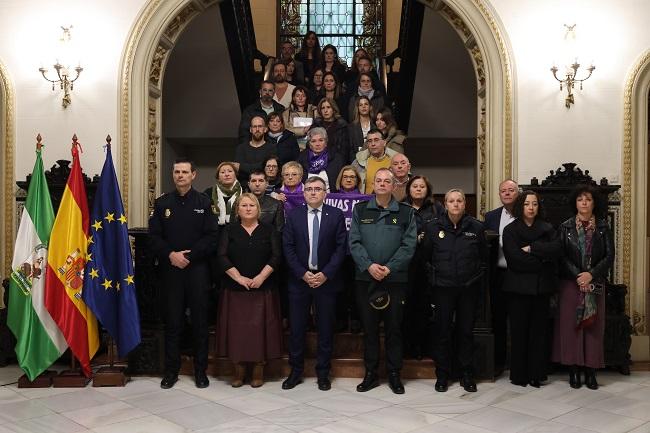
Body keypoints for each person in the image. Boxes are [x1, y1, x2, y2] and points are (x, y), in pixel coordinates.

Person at [149, 158, 219, 389]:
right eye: (177, 171)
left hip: (197, 270)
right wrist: (171, 255)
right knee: (173, 322)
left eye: (185, 172)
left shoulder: (204, 202)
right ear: (173, 174)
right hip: (171, 271)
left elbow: (211, 237)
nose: (180, 175)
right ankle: (171, 371)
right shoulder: (162, 204)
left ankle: (201, 372)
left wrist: (189, 256)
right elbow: (154, 237)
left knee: (199, 322)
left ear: (193, 175)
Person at [349, 168, 417, 394]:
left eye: (387, 181)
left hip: (394, 280)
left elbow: (409, 246)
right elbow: (354, 243)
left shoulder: (406, 213)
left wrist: (389, 268)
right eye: (378, 180)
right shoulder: (360, 210)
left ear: (394, 185)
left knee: (394, 329)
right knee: (369, 329)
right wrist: (369, 265)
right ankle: (370, 374)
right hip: (365, 279)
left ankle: (394, 374)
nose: (382, 184)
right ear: (373, 184)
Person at [282, 176, 348, 391]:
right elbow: (288, 247)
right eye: (308, 189)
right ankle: (296, 371)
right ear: (303, 192)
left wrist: (326, 274)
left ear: (325, 192)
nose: (312, 192)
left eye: (317, 189)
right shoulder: (294, 215)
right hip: (299, 280)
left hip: (326, 281)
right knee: (297, 329)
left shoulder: (336, 215)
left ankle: (323, 373)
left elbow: (341, 248)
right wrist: (302, 273)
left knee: (325, 329)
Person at [422, 188, 487, 393]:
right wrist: (434, 280)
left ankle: (466, 373)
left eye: (460, 200)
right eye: (452, 201)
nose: (456, 204)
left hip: (468, 289)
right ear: (446, 204)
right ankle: (443, 374)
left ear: (465, 204)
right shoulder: (433, 227)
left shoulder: (476, 227)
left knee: (465, 332)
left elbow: (484, 259)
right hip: (442, 289)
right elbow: (424, 259)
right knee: (442, 332)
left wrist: (475, 279)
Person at [216, 193, 283, 388]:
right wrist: (238, 277)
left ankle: (258, 371)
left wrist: (261, 277)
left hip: (263, 288)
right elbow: (221, 255)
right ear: (237, 210)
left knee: (260, 332)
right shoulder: (229, 230)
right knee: (238, 332)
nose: (247, 208)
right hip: (235, 289)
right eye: (243, 205)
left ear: (258, 209)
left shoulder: (269, 230)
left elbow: (277, 256)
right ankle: (238, 372)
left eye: (251, 205)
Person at [552, 184, 615, 390]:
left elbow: (609, 255)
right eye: (580, 200)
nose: (584, 203)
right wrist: (578, 276)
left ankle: (591, 371)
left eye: (588, 199)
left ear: (594, 203)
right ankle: (573, 370)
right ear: (575, 203)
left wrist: (591, 274)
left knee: (593, 327)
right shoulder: (565, 227)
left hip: (595, 283)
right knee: (572, 328)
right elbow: (560, 256)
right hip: (571, 284)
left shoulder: (604, 226)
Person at [502, 190, 560, 388]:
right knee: (518, 333)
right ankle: (519, 375)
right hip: (517, 289)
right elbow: (514, 259)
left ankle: (536, 374)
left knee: (539, 333)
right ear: (521, 206)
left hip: (541, 289)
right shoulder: (510, 230)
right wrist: (541, 260)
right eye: (527, 204)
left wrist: (533, 249)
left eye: (535, 204)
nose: (531, 208)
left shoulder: (548, 228)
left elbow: (557, 252)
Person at [402, 175, 443, 359]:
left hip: (429, 265)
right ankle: (407, 347)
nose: (418, 189)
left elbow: (443, 231)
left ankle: (422, 348)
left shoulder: (436, 208)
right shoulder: (401, 208)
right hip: (406, 265)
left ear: (427, 190)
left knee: (426, 308)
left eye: (422, 186)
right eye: (415, 186)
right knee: (406, 307)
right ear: (409, 189)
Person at [483, 179, 519, 376]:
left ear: (518, 193)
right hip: (498, 275)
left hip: (520, 277)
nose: (506, 193)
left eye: (511, 190)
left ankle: (517, 362)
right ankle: (497, 362)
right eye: (503, 191)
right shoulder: (490, 217)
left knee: (518, 320)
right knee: (497, 320)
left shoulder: (525, 215)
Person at [335, 165, 363, 332]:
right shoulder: (330, 198)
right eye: (345, 176)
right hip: (337, 251)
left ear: (357, 180)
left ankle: (356, 320)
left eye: (352, 177)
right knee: (339, 287)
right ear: (340, 179)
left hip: (357, 252)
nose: (348, 179)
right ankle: (340, 319)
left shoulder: (365, 201)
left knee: (356, 289)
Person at [352, 128, 398, 194]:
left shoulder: (396, 161)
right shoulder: (358, 162)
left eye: (376, 140)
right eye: (370, 141)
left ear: (384, 142)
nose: (373, 144)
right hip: (365, 202)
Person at [297, 127, 344, 192]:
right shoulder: (302, 159)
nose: (317, 144)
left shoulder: (336, 158)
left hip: (331, 197)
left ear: (326, 143)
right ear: (309, 144)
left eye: (321, 140)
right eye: (313, 141)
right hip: (307, 196)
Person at [234, 115, 277, 182]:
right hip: (244, 186)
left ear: (265, 129)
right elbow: (237, 169)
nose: (257, 129)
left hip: (266, 185)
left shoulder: (272, 148)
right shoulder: (241, 148)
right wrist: (260, 166)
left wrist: (242, 167)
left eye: (260, 126)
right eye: (254, 126)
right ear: (251, 129)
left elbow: (269, 169)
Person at [310, 98, 350, 163]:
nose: (325, 110)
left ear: (333, 109)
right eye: (323, 108)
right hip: (317, 159)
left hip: (336, 161)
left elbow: (344, 150)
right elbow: (309, 145)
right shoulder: (316, 124)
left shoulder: (342, 125)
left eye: (328, 107)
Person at [203, 161, 242, 226]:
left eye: (230, 171)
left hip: (238, 229)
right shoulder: (208, 192)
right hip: (215, 230)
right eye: (223, 172)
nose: (227, 174)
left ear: (235, 175)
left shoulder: (243, 192)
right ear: (218, 177)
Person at [348, 96, 375, 160]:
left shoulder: (375, 125)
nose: (364, 107)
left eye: (366, 104)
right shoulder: (351, 127)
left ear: (370, 107)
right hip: (356, 161)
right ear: (357, 108)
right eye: (361, 105)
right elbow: (350, 150)